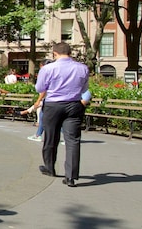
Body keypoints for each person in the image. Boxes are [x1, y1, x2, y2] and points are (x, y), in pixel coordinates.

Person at [34, 42, 89, 187]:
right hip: (74, 104)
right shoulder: (83, 68)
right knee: (73, 140)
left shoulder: (48, 68)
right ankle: (70, 176)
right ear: (70, 53)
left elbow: (40, 88)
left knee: (51, 137)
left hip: (54, 104)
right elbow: (84, 89)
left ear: (54, 53)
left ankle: (49, 167)